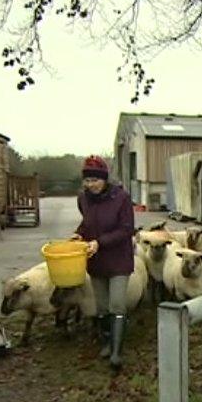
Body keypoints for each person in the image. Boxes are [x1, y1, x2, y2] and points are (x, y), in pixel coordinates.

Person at [71, 155, 135, 371]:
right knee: (101, 306)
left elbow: (126, 229)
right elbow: (87, 222)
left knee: (117, 304)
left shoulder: (122, 198)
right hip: (96, 260)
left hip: (118, 259)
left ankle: (117, 352)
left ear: (105, 179)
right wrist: (79, 235)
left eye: (95, 180)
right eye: (87, 181)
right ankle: (106, 343)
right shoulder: (83, 198)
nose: (91, 185)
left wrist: (100, 242)